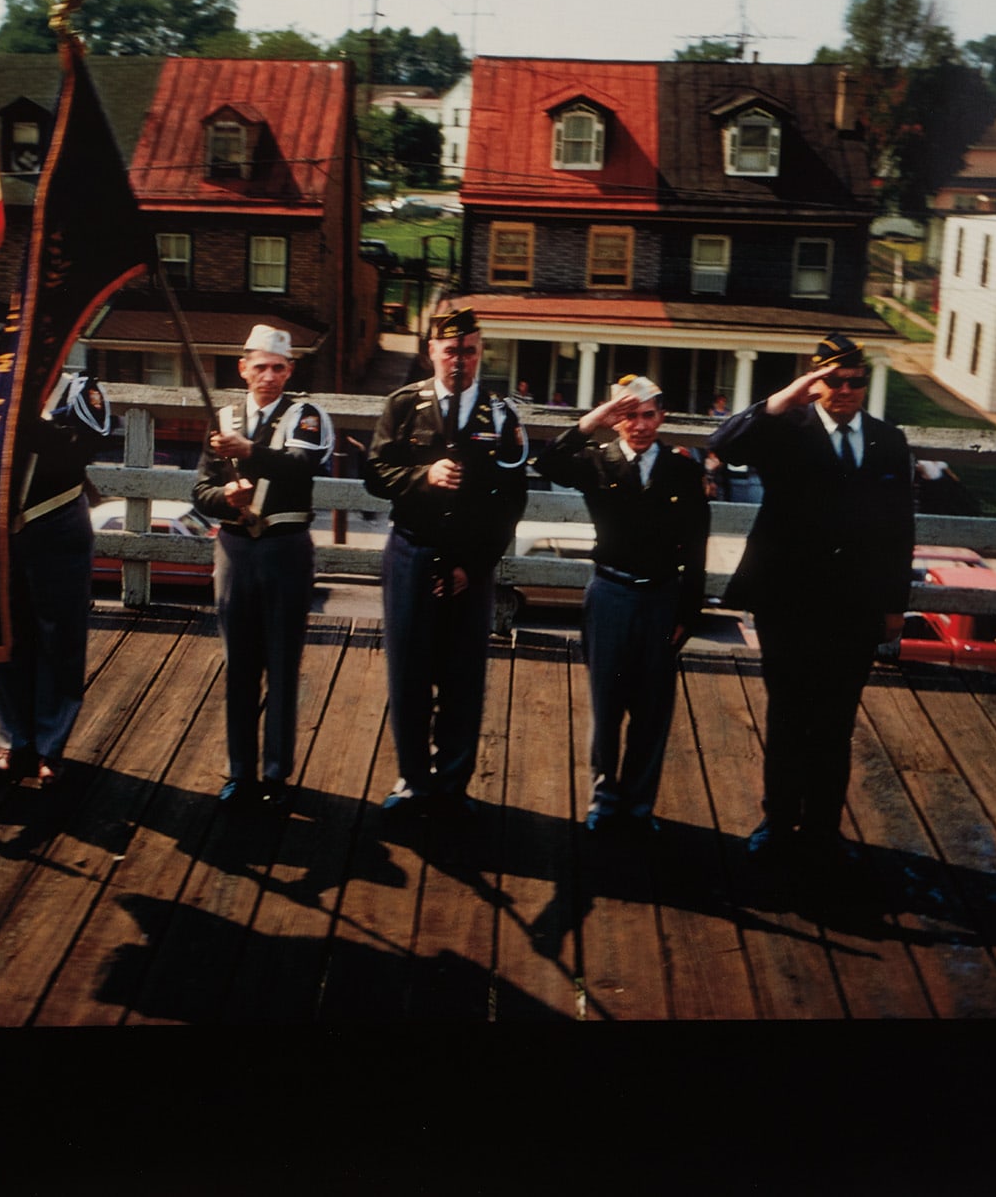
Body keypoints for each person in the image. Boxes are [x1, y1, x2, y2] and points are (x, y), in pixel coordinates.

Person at [707, 332, 913, 874]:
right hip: (788, 602)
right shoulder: (784, 431)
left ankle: (823, 828)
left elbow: (899, 529)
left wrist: (895, 605)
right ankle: (777, 822)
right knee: (789, 714)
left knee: (836, 721)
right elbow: (724, 445)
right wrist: (785, 398)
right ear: (815, 382)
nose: (845, 391)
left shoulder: (888, 441)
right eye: (833, 381)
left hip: (854, 606)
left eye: (855, 382)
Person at [364, 307, 529, 816]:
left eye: (470, 350)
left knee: (463, 676)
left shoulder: (500, 416)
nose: (460, 360)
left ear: (482, 353)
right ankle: (413, 781)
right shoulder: (404, 406)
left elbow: (513, 500)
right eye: (451, 350)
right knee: (409, 674)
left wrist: (474, 566)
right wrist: (423, 476)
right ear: (431, 351)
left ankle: (453, 786)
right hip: (411, 553)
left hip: (470, 567)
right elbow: (374, 474)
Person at [535, 374, 709, 831]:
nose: (640, 424)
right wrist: (592, 421)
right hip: (610, 594)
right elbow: (546, 462)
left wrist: (688, 612)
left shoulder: (683, 470)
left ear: (662, 416)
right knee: (606, 703)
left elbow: (696, 548)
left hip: (661, 598)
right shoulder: (597, 462)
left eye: (648, 414)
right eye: (628, 415)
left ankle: (638, 804)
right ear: (616, 420)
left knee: (653, 710)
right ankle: (603, 799)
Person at [0, 373, 113, 787]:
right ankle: (12, 742)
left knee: (60, 637)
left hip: (57, 522)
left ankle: (49, 748)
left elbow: (84, 449)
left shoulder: (79, 389)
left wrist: (23, 426)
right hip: (2, 528)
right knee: (8, 636)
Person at [192, 325, 333, 808]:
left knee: (282, 662)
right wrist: (225, 496)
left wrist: (249, 453)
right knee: (239, 665)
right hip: (235, 550)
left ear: (290, 370)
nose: (268, 376)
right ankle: (239, 771)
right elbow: (200, 492)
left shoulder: (306, 415)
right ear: (243, 368)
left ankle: (275, 772)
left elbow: (300, 465)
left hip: (285, 548)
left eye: (278, 368)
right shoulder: (223, 417)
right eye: (260, 367)